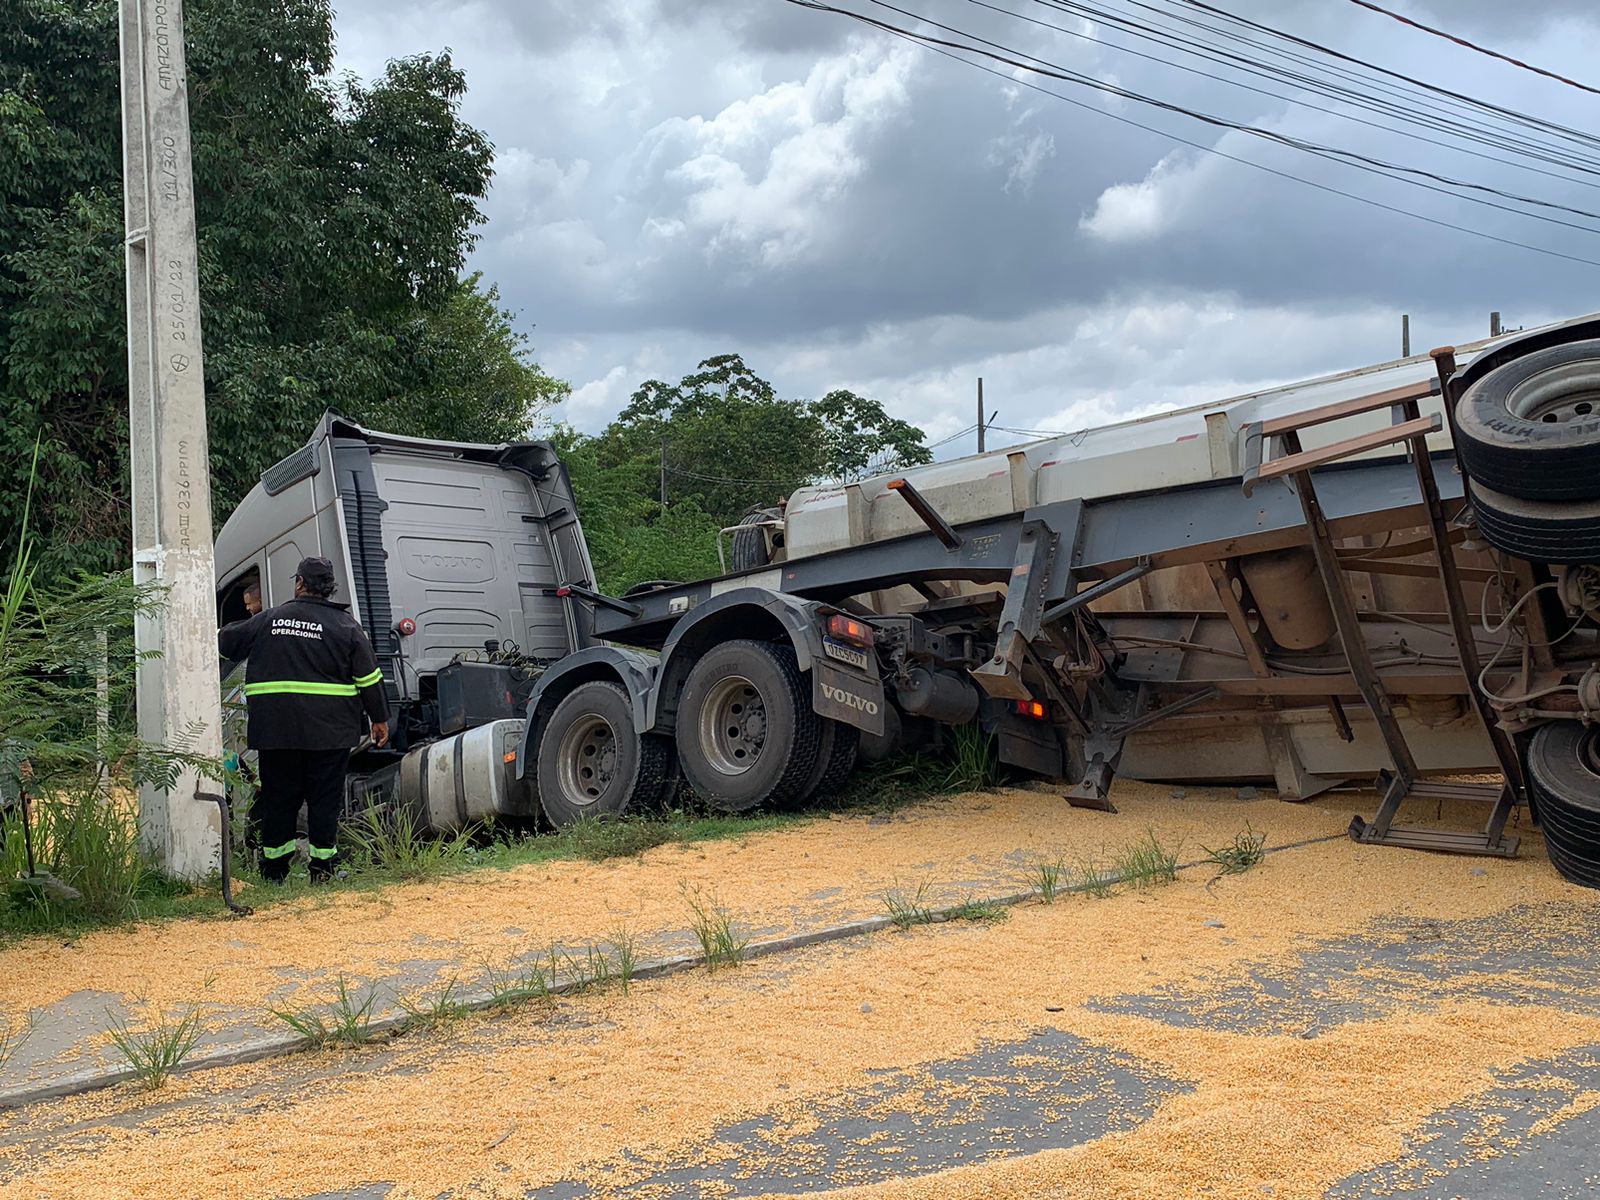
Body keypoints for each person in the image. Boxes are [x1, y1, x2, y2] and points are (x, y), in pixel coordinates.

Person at [217, 556, 390, 883]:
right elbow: (369, 679)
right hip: (330, 734)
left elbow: (227, 642)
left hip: (276, 732)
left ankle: (273, 874)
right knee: (325, 802)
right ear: (329, 589)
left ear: (299, 584)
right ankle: (322, 871)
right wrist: (379, 719)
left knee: (278, 800)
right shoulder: (347, 628)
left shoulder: (270, 619)